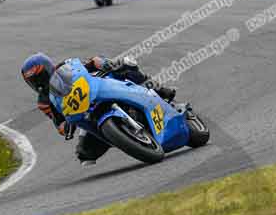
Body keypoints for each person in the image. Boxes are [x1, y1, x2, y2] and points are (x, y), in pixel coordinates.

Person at [21, 53, 176, 166]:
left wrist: (104, 64)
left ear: (49, 68)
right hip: (87, 116)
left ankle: (160, 90)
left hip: (100, 89)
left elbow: (92, 62)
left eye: (40, 77)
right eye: (33, 81)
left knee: (126, 67)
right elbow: (59, 125)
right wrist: (66, 126)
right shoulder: (44, 102)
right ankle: (126, 137)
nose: (39, 83)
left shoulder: (65, 67)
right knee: (84, 154)